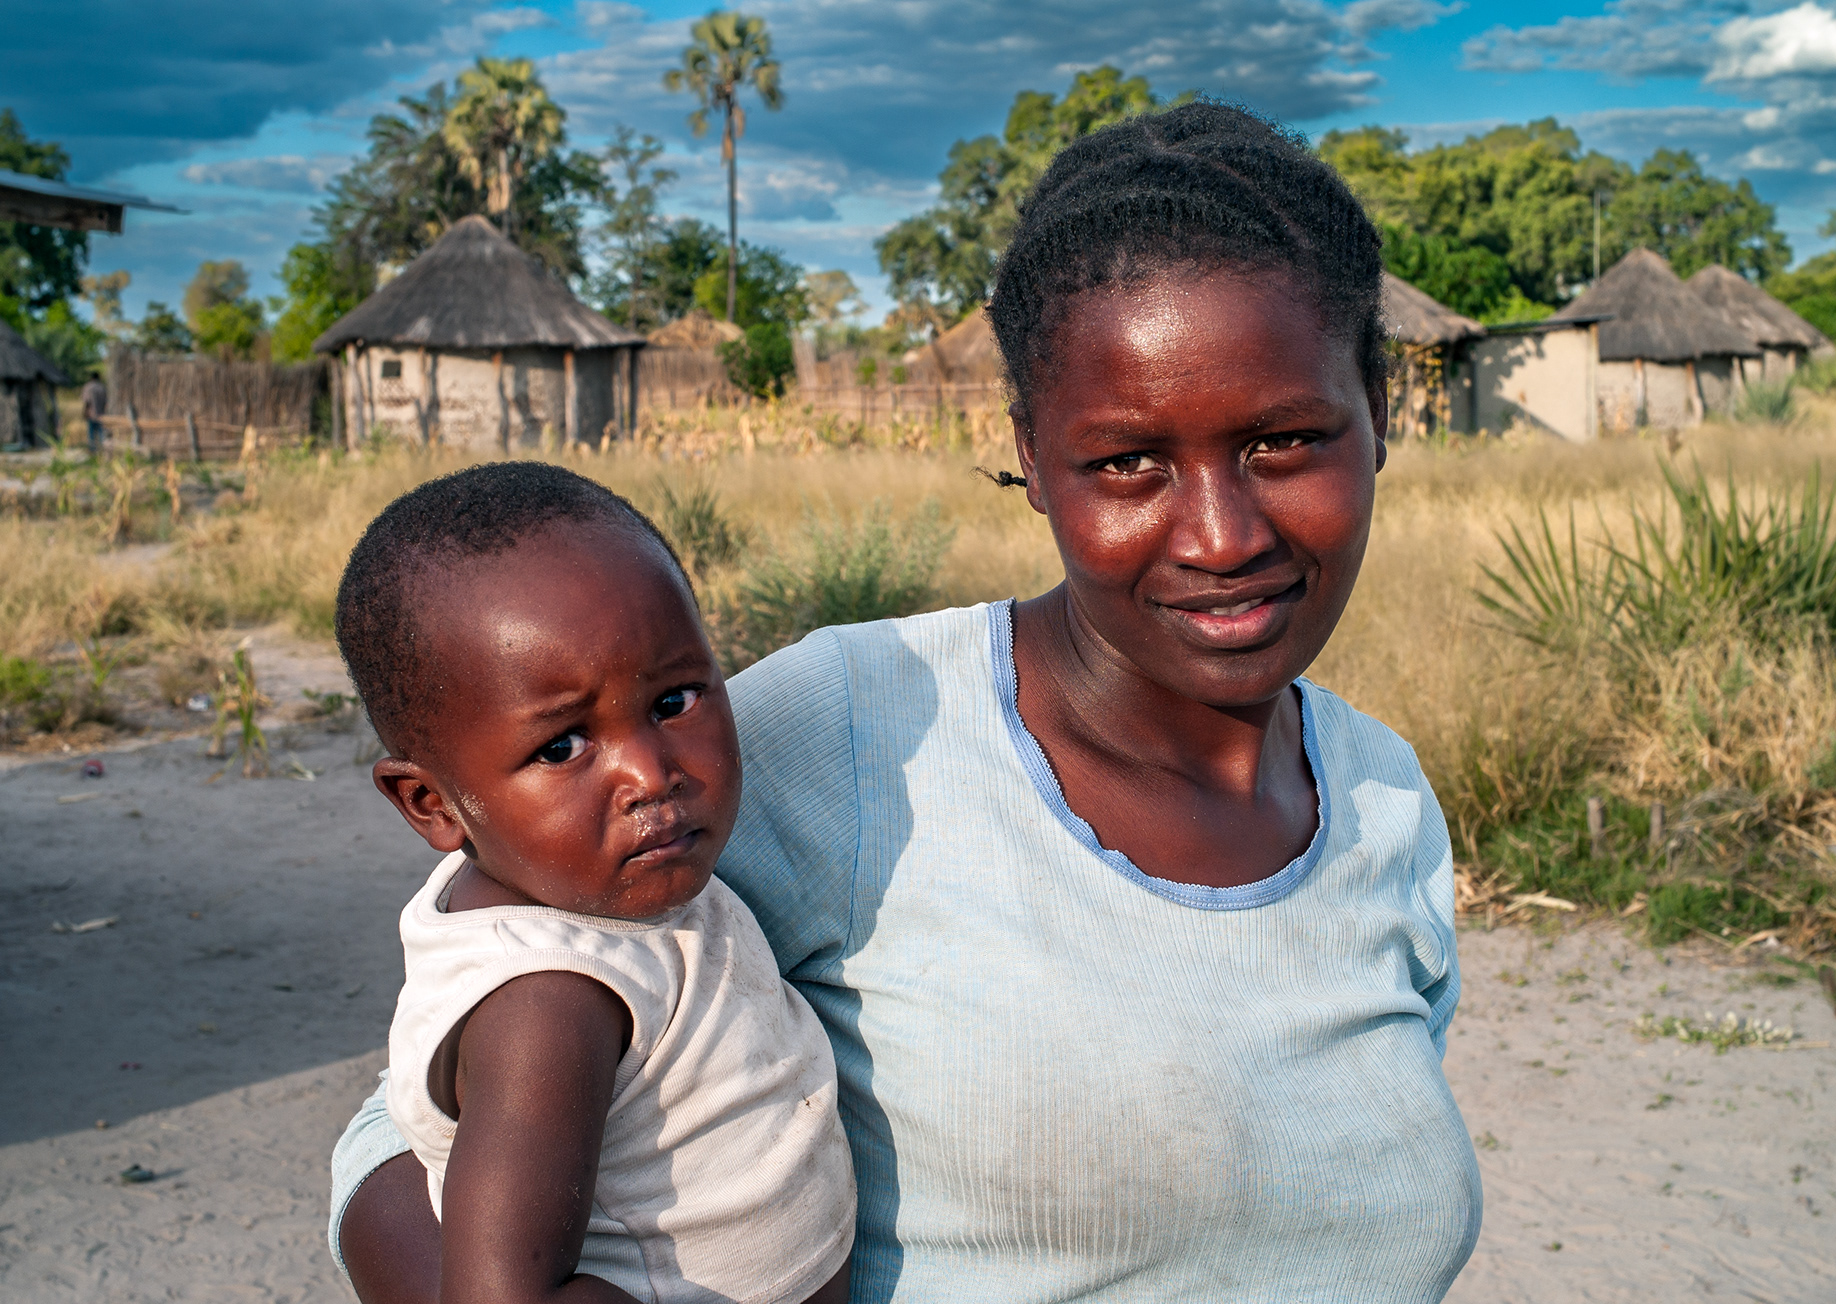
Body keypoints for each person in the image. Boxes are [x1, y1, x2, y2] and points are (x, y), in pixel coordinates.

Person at [333, 101, 1481, 1303]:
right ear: (1032, 457)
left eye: (1286, 440)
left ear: (1380, 418)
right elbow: (411, 1122)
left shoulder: (1384, 798)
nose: (1221, 533)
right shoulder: (853, 732)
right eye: (1127, 461)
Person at [331, 462, 856, 1304]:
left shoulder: (600, 891)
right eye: (563, 747)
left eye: (676, 698)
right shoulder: (548, 1003)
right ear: (433, 802)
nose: (651, 773)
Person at [80, 371, 108, 450]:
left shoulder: (88, 387)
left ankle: (92, 450)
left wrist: (84, 412)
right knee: (101, 432)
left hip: (91, 414)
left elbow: (87, 402)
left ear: (91, 378)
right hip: (101, 414)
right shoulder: (102, 387)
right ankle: (103, 449)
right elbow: (106, 402)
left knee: (91, 433)